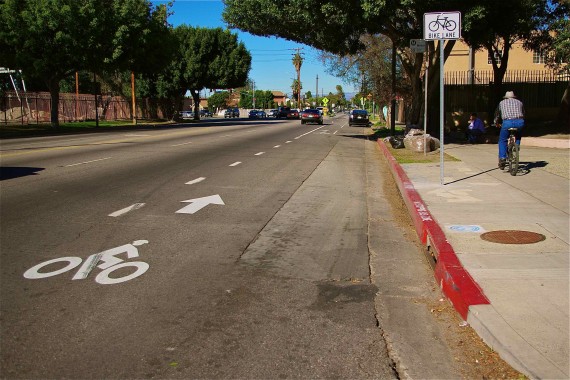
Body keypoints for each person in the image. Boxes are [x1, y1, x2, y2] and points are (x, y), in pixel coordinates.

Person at [494, 91, 525, 169]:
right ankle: (517, 146)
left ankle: (502, 158)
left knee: (502, 140)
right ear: (514, 97)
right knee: (518, 134)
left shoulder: (501, 103)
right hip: (519, 122)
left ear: (506, 97)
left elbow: (497, 115)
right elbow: (524, 113)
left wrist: (496, 123)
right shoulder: (519, 102)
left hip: (507, 122)